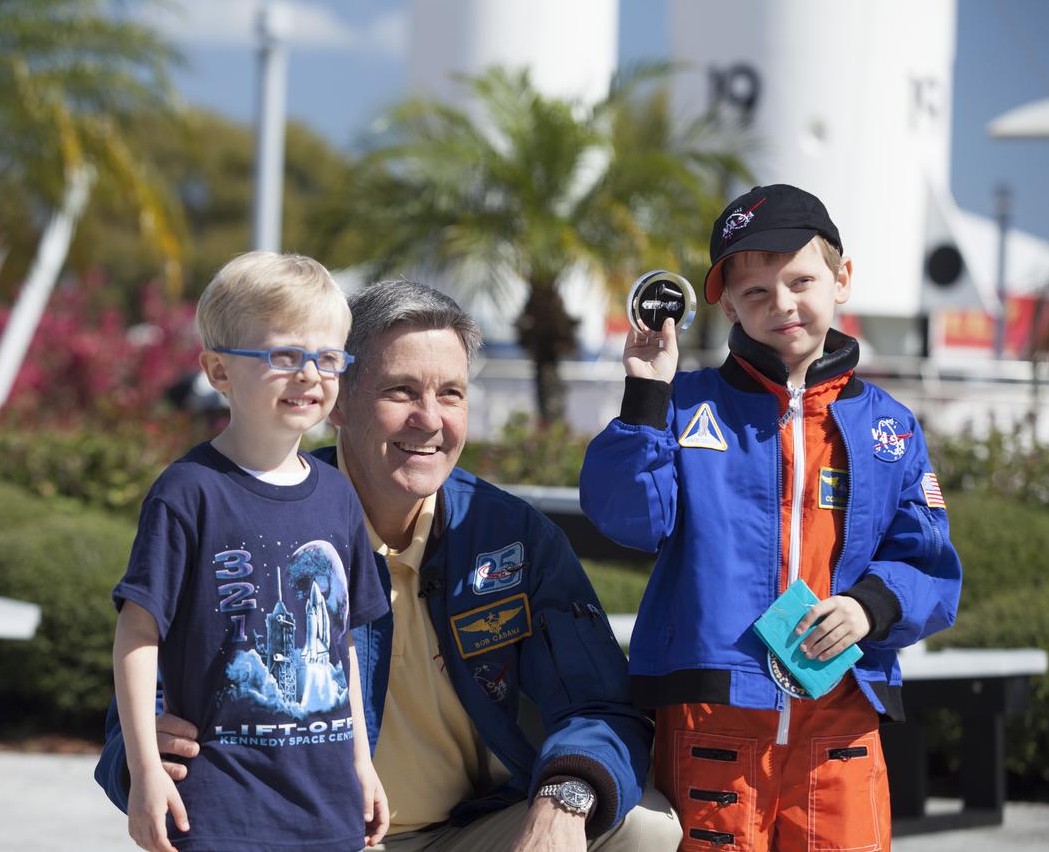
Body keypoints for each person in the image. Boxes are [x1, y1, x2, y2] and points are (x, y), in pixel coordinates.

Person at [98, 280, 683, 852]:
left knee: (643, 829)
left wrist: (565, 800)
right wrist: (144, 749)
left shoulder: (512, 537)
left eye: (450, 393)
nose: (429, 419)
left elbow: (599, 703)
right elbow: (144, 678)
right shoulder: (256, 514)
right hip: (319, 831)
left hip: (472, 828)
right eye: (401, 391)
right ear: (340, 399)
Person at [579, 184, 963, 851]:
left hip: (840, 720)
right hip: (710, 719)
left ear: (842, 278)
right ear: (726, 304)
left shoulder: (889, 428)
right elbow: (629, 517)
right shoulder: (683, 403)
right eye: (756, 292)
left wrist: (870, 606)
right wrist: (646, 392)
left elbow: (930, 561)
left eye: (801, 280)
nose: (781, 303)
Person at [110, 252, 391, 852]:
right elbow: (138, 635)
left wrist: (362, 764)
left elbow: (343, 646)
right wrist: (143, 770)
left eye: (328, 358)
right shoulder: (188, 493)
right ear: (218, 371)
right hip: (219, 811)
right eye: (285, 356)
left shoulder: (340, 495)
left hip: (327, 812)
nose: (310, 375)